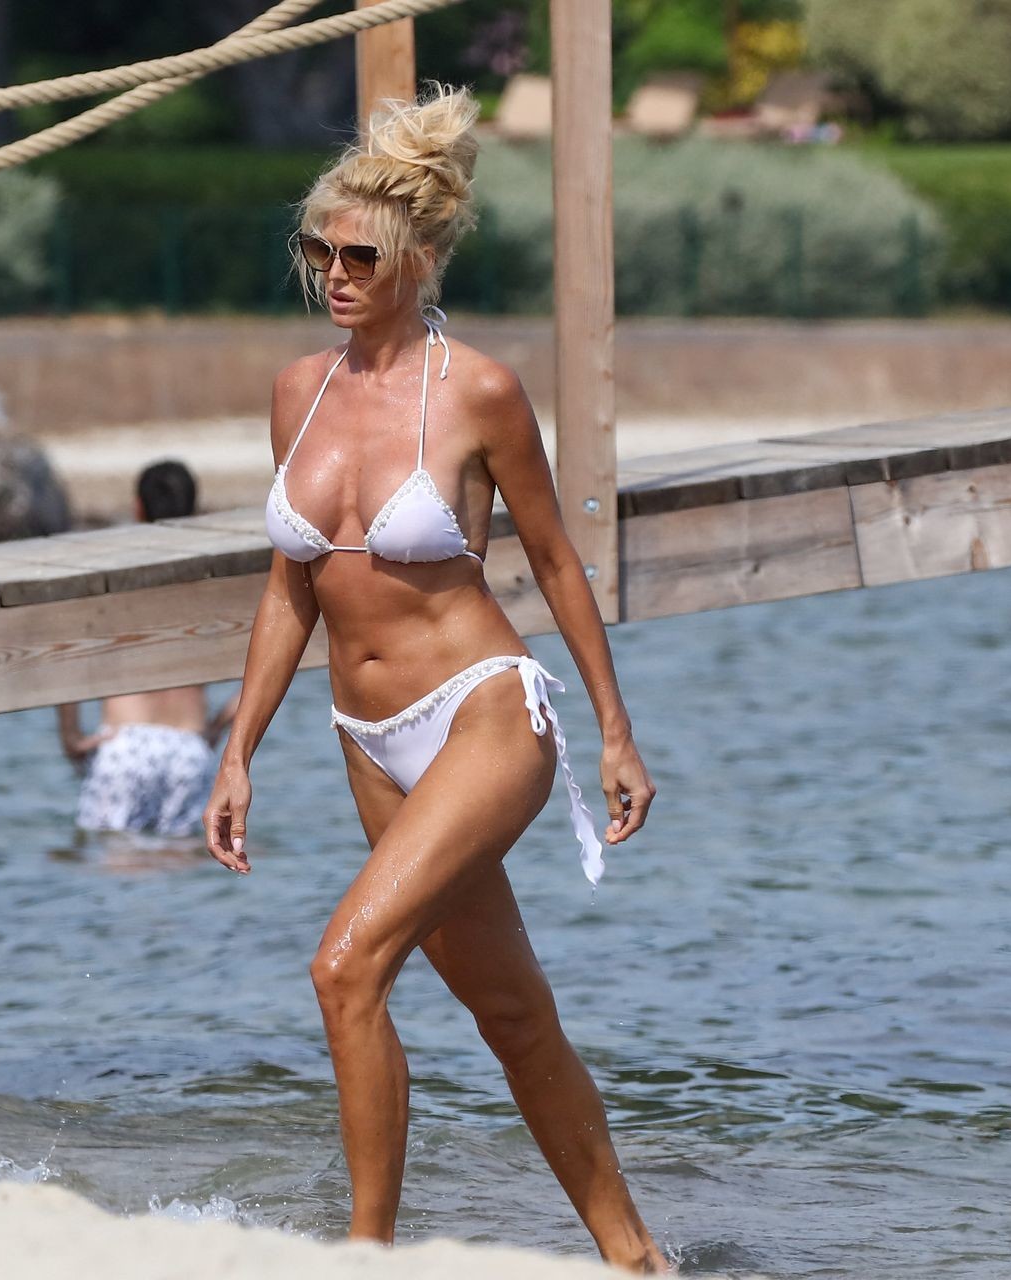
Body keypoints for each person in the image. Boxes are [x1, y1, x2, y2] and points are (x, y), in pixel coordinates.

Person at [201, 84, 669, 1272]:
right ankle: (635, 1255)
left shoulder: (479, 391)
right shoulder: (298, 391)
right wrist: (239, 747)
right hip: (365, 735)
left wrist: (614, 729)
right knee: (510, 1012)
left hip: (484, 713)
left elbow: (555, 560)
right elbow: (291, 587)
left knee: (344, 965)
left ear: (418, 259)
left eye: (359, 255)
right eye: (320, 251)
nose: (335, 272)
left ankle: (367, 1253)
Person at [58, 461, 240, 840]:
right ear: (195, 510)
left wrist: (71, 735)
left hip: (125, 746)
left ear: (137, 507)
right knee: (190, 863)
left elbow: (66, 646)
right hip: (188, 748)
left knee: (113, 863)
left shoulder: (115, 577)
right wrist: (216, 727)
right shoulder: (211, 582)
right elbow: (264, 664)